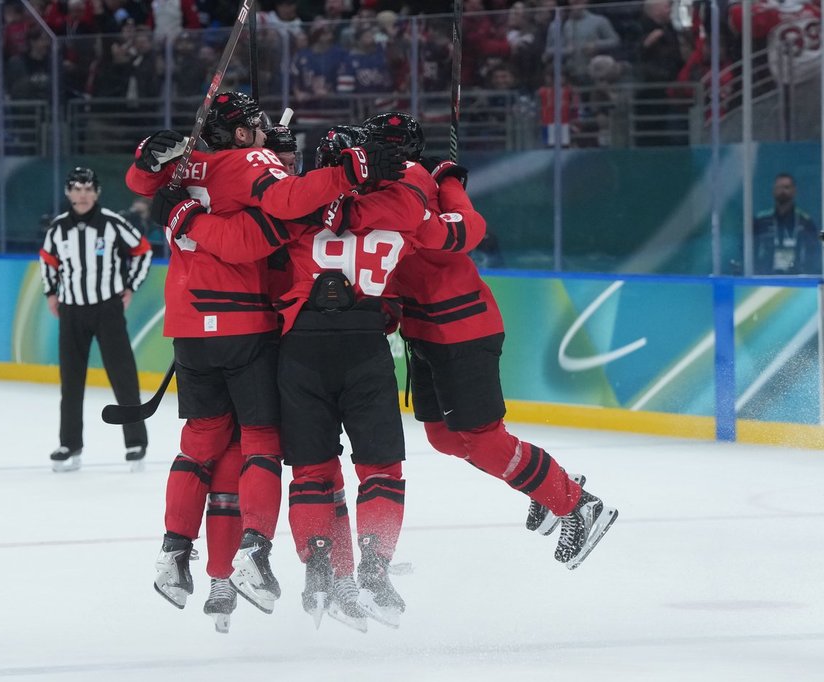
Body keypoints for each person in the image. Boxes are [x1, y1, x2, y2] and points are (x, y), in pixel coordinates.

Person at [164, 123, 486, 631]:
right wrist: (447, 184)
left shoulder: (298, 211)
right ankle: (374, 569)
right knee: (381, 470)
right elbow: (462, 233)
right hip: (365, 349)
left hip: (300, 353)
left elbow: (246, 238)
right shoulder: (404, 211)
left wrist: (191, 217)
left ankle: (317, 569)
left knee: (312, 473)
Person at [125, 91, 405, 615]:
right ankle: (257, 554)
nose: (282, 161)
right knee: (265, 445)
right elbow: (270, 215)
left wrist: (147, 159)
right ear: (242, 134)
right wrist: (344, 178)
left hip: (189, 326)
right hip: (250, 324)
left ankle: (181, 556)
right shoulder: (254, 166)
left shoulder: (186, 170)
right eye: (263, 135)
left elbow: (144, 181)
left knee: (204, 443)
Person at [364, 111, 619, 571]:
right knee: (443, 437)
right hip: (425, 333)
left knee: (482, 441)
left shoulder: (412, 186)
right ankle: (545, 480)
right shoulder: (388, 188)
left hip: (462, 331)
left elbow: (466, 231)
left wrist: (448, 189)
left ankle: (578, 503)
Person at [38, 167, 153, 473]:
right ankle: (69, 443)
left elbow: (142, 251)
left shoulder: (114, 223)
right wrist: (51, 292)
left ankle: (135, 442)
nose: (83, 194)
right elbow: (47, 260)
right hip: (71, 311)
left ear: (97, 192)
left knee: (123, 376)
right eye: (77, 188)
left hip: (107, 308)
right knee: (71, 381)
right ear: (68, 193)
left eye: (88, 188)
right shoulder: (58, 228)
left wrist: (131, 285)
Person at [753, 172, 822, 275]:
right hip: (766, 280)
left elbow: (814, 251)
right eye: (779, 187)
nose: (782, 191)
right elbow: (750, 250)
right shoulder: (761, 221)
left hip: (799, 281)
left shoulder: (805, 222)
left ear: (794, 191)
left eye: (786, 187)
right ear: (773, 190)